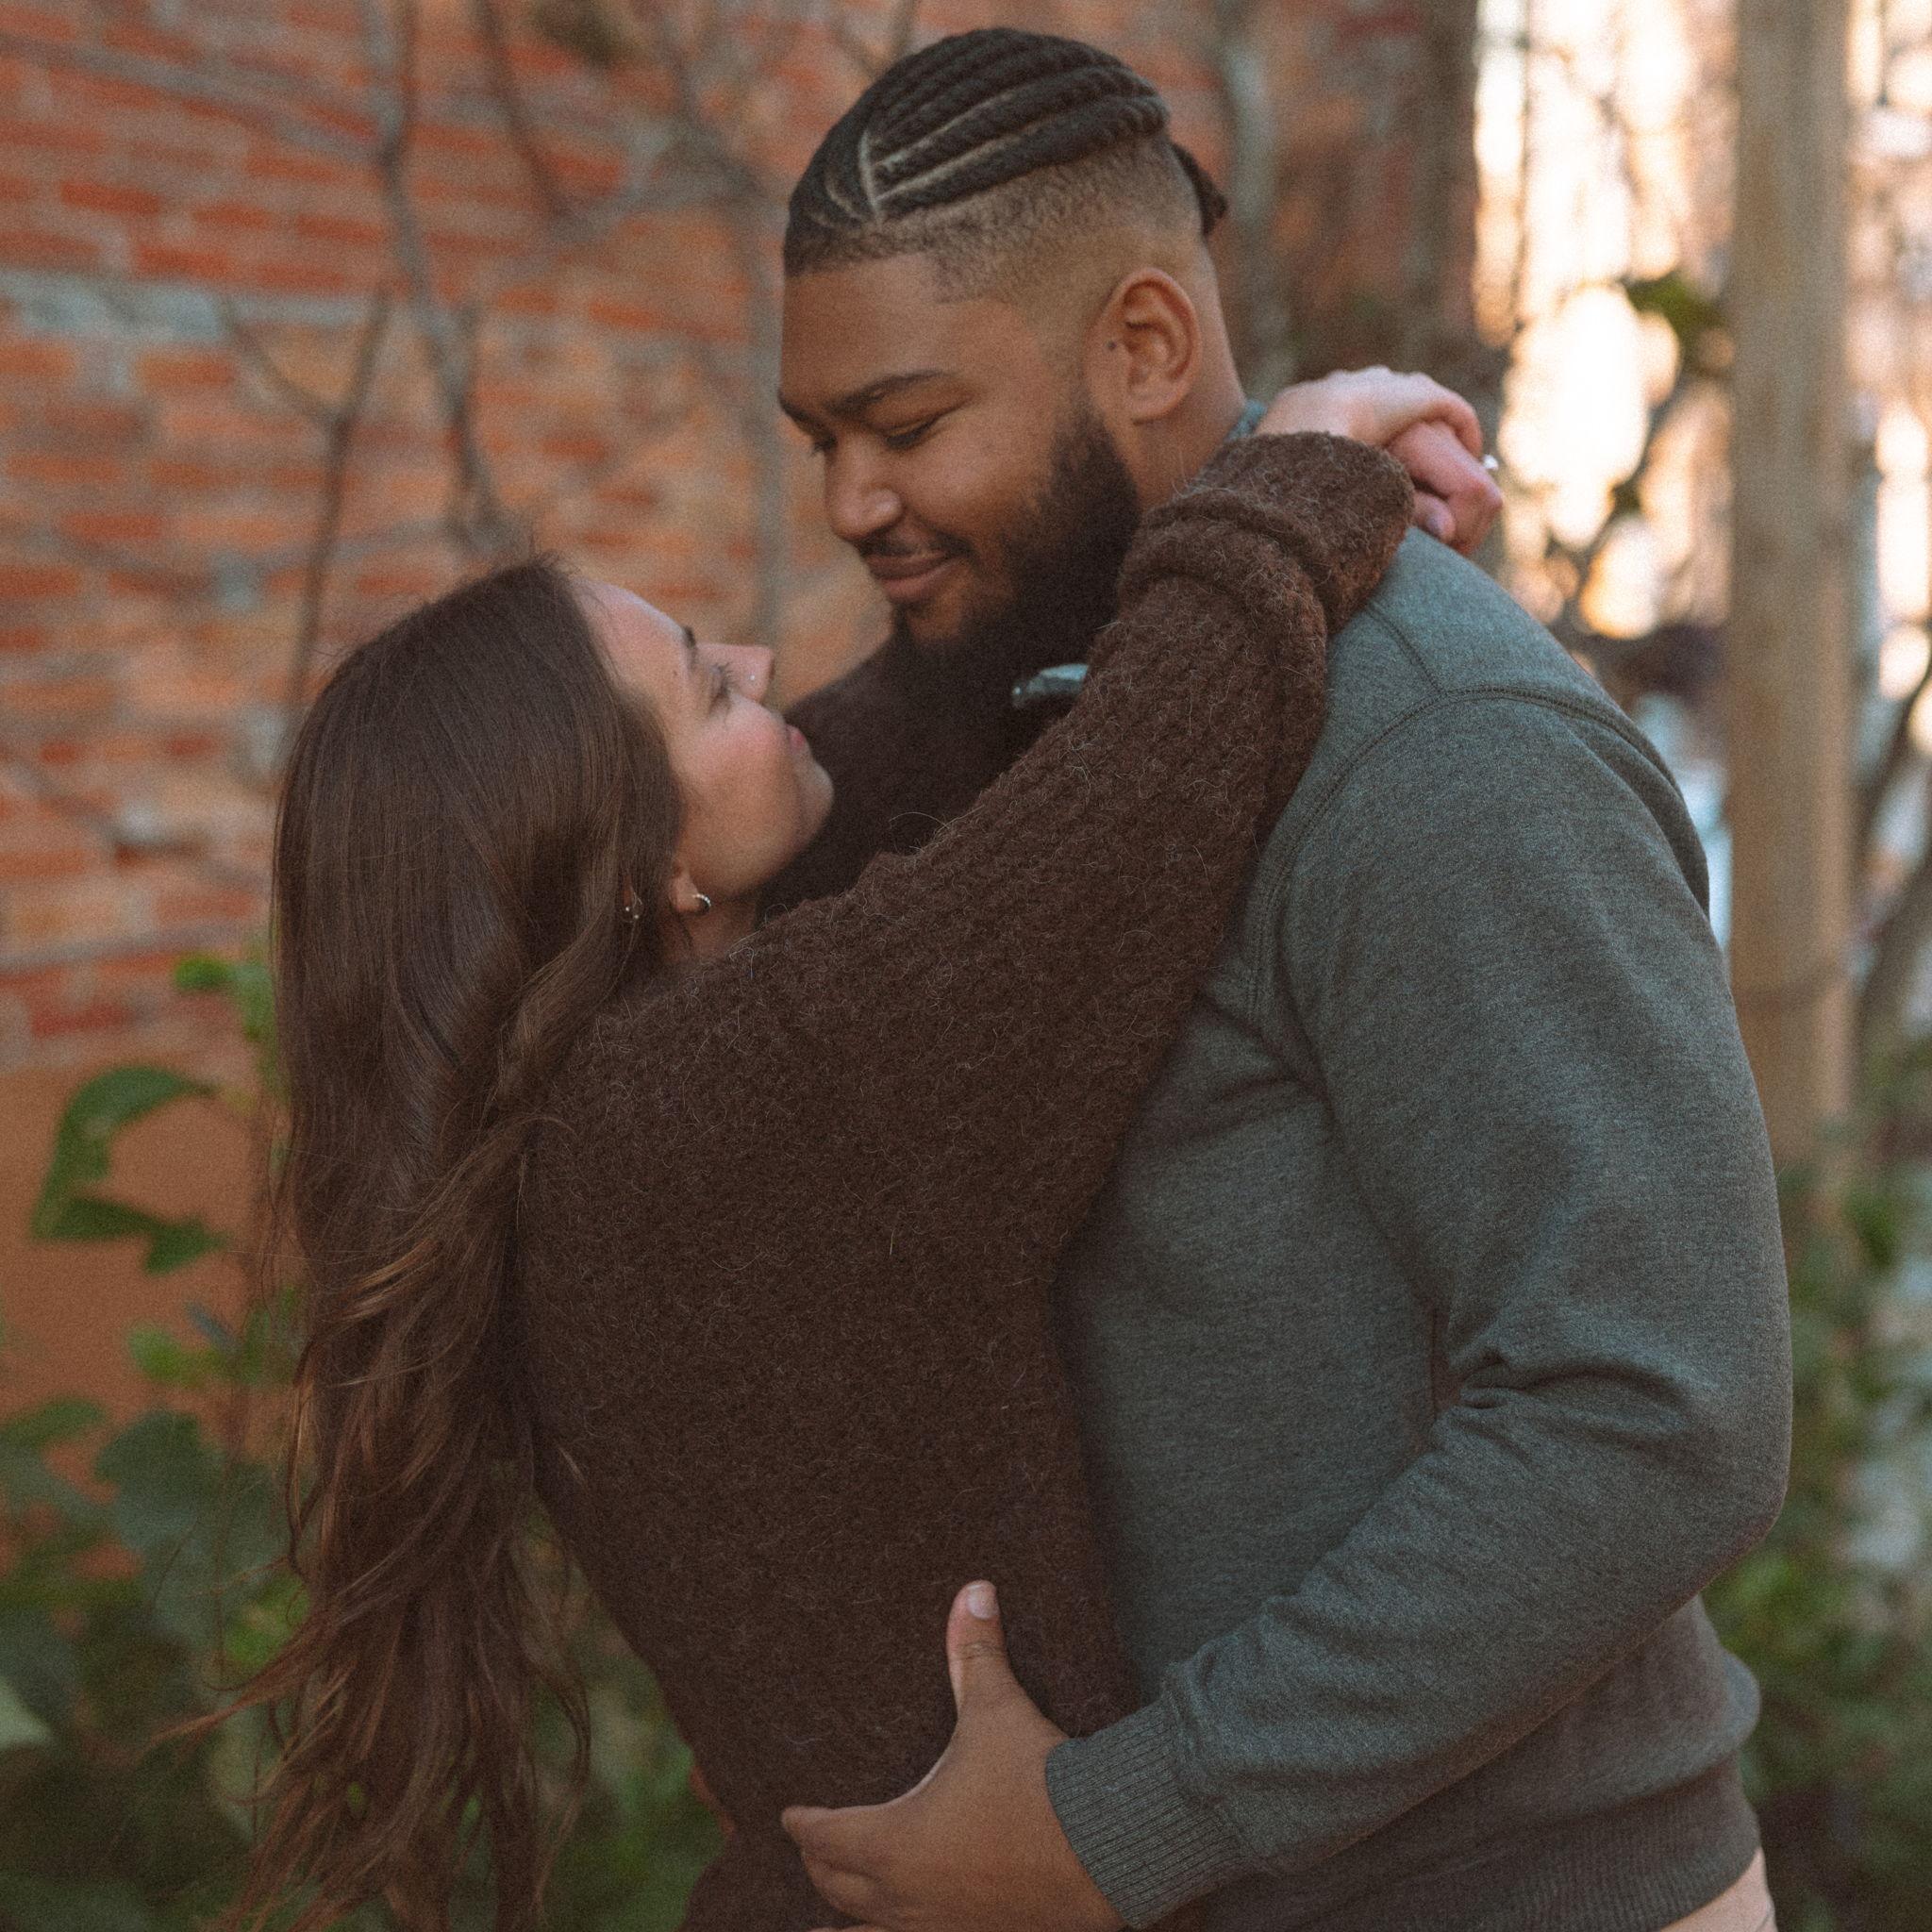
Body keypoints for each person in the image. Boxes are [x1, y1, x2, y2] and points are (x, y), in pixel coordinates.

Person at [759, 27, 1792, 1932]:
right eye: (820, 442)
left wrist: (1122, 1819)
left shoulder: (1426, 739)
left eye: (907, 426)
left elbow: (1652, 1407)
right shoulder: (1048, 707)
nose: (851, 502)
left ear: (1144, 348)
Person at [207, 376, 1467, 1928]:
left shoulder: (568, 1123)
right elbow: (1138, 788)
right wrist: (1305, 467)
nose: (759, 663)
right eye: (709, 691)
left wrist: (995, 537)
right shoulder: (728, 1107)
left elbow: (881, 737)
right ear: (642, 871)